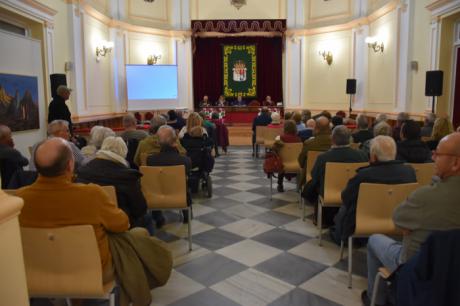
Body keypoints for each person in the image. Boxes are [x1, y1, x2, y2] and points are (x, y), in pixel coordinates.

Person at [363, 132, 460, 306]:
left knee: (374, 239)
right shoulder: (410, 174)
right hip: (453, 275)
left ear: (456, 163)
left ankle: (375, 299)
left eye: (437, 154)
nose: (432, 156)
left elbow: (398, 219)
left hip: (417, 266)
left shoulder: (427, 196)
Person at [18, 137, 129, 282]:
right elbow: (122, 224)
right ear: (70, 165)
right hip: (93, 272)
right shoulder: (92, 194)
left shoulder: (20, 199)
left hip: (36, 272)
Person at [331, 135, 417, 245]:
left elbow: (345, 197)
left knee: (345, 208)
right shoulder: (409, 172)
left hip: (363, 221)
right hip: (399, 220)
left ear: (373, 156)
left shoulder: (364, 175)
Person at [76, 136, 151, 233]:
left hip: (90, 222)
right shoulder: (128, 176)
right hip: (120, 224)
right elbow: (140, 209)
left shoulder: (83, 170)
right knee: (147, 217)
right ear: (124, 152)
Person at [303, 125, 368, 225]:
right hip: (354, 192)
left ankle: (320, 217)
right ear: (349, 139)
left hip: (328, 192)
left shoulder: (323, 157)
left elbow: (314, 175)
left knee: (314, 184)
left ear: (332, 140)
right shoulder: (362, 155)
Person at [147, 126, 192, 224]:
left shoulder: (150, 160)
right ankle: (186, 216)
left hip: (155, 198)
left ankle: (158, 218)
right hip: (180, 198)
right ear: (174, 141)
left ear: (158, 142)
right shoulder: (185, 161)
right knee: (185, 185)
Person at [298, 116, 332, 187]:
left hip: (311, 176)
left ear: (316, 128)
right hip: (332, 177)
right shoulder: (335, 143)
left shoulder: (309, 143)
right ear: (329, 128)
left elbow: (301, 162)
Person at [275, 120, 301, 192]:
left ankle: (280, 184)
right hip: (296, 163)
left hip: (283, 163)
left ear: (285, 128)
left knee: (281, 160)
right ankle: (299, 186)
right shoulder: (298, 139)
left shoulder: (280, 137)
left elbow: (275, 149)